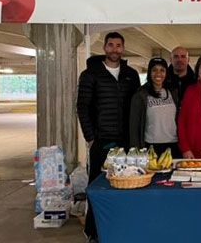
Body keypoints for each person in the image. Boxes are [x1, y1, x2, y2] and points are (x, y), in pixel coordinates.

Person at [76, 31, 140, 243]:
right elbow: (82, 107)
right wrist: (91, 137)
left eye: (118, 45)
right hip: (102, 142)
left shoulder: (131, 75)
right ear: (104, 48)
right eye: (110, 45)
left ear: (123, 48)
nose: (114, 49)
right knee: (98, 187)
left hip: (126, 142)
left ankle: (122, 228)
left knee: (127, 185)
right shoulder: (90, 74)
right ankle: (93, 232)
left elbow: (136, 106)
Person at [129, 57, 180, 158]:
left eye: (162, 70)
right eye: (154, 70)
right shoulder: (141, 95)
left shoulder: (173, 92)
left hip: (173, 145)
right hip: (151, 146)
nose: (158, 74)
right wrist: (136, 151)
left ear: (166, 73)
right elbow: (134, 126)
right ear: (149, 72)